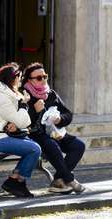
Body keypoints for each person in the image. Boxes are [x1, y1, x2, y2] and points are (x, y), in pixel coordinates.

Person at [0, 63, 42, 198]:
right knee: (34, 149)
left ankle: (15, 180)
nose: (21, 81)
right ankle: (15, 182)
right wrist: (24, 104)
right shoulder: (0, 97)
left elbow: (14, 119)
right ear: (13, 78)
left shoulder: (4, 93)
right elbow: (23, 121)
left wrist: (16, 115)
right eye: (20, 77)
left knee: (33, 146)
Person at [22, 62, 86, 194]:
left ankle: (58, 180)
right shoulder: (24, 95)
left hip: (55, 132)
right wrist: (35, 111)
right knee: (52, 145)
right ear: (29, 80)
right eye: (39, 78)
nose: (43, 80)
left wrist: (60, 119)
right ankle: (70, 180)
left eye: (44, 76)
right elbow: (23, 121)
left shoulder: (50, 94)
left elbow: (68, 113)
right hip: (35, 135)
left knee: (79, 146)